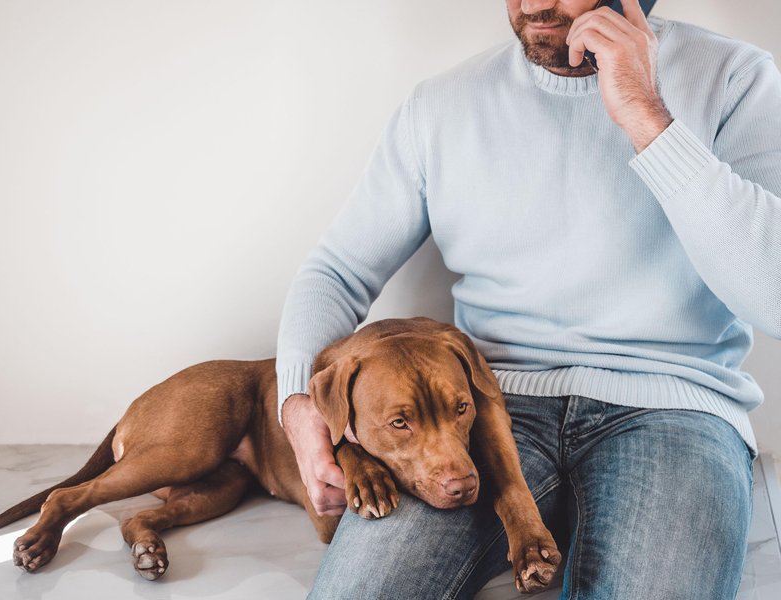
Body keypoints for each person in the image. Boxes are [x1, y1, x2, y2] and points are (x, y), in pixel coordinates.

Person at [275, 0, 781, 598]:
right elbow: (337, 269)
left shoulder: (737, 79)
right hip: (485, 410)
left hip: (676, 410)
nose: (535, 3)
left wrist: (646, 115)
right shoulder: (441, 105)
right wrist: (299, 403)